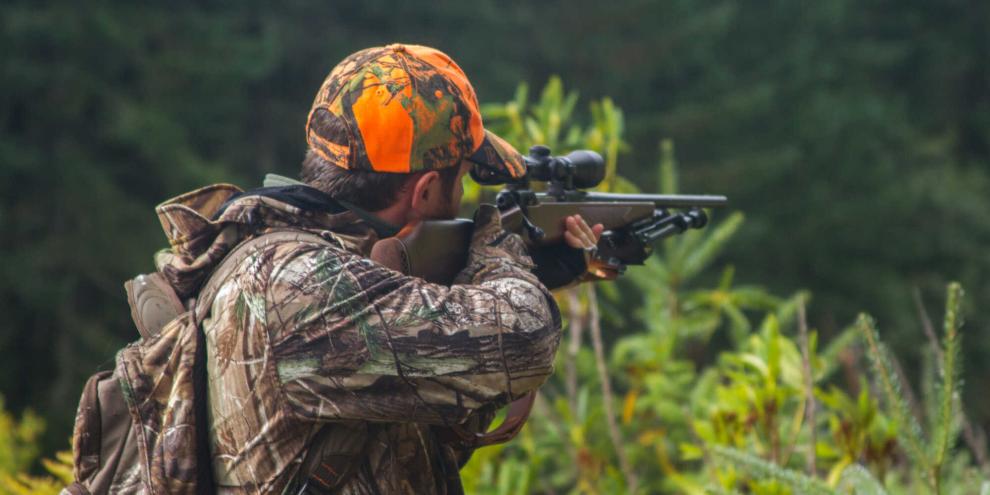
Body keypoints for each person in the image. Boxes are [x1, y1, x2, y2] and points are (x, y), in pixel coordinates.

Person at [153, 43, 602, 494]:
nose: (464, 195)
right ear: (424, 191)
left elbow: (416, 443)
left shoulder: (292, 264)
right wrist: (499, 257)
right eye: (462, 178)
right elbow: (524, 340)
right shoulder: (299, 285)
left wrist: (529, 275)